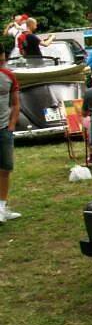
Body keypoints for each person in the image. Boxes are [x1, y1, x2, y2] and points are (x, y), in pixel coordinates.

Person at [0, 46, 21, 223]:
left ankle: (1, 207)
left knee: (5, 169)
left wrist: (11, 125)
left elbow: (15, 103)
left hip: (4, 129)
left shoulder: (9, 76)